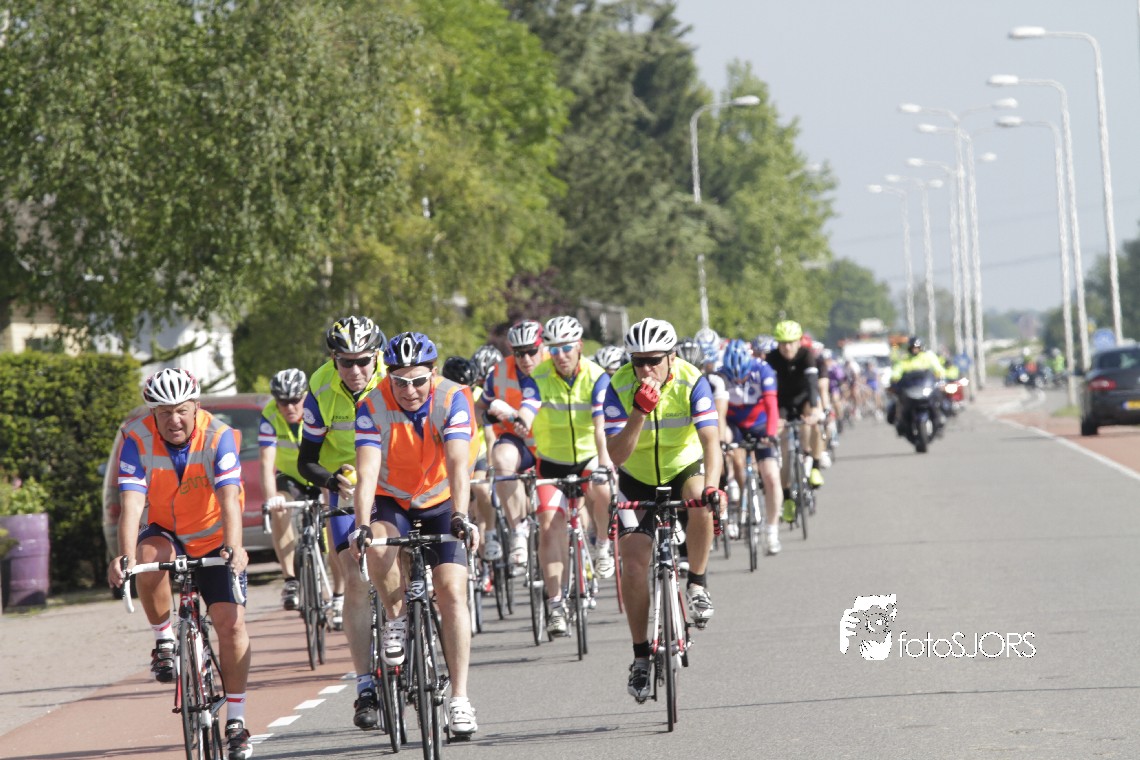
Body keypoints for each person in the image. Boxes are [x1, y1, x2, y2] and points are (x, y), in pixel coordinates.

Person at [106, 368, 254, 760]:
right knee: (148, 558)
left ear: (196, 407)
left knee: (230, 624)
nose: (174, 420)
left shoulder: (219, 435)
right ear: (152, 414)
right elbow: (131, 505)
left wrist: (235, 547)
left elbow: (229, 499)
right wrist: (124, 557)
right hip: (166, 530)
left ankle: (236, 720)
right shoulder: (136, 439)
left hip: (214, 534)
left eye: (182, 410)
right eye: (164, 412)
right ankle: (164, 640)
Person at [351, 331, 481, 738]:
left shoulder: (453, 397)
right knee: (378, 545)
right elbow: (366, 472)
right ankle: (396, 617)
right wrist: (360, 524)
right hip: (393, 498)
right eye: (400, 381)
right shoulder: (372, 404)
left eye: (419, 381)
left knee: (452, 592)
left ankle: (459, 699)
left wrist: (461, 516)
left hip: (441, 499)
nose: (409, 391)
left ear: (433, 373)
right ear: (387, 377)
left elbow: (458, 463)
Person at [602, 318, 723, 703]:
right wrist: (638, 412)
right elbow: (616, 455)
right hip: (636, 478)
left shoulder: (691, 380)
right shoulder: (618, 385)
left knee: (700, 500)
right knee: (634, 563)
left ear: (671, 356)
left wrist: (712, 486)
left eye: (653, 360)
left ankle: (698, 583)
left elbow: (711, 442)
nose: (645, 369)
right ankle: (640, 656)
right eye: (637, 361)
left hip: (682, 467)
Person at [295, 315, 386, 730]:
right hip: (346, 486)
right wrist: (332, 481)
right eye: (345, 362)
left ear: (376, 356)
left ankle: (411, 628)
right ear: (334, 359)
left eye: (363, 360)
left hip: (393, 483)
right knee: (354, 577)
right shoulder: (319, 387)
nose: (355, 370)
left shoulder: (394, 380)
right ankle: (365, 684)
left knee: (403, 564)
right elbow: (306, 460)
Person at [515, 316, 614, 637]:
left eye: (567, 348)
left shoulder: (597, 376)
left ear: (579, 346)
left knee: (603, 491)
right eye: (554, 349)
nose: (561, 355)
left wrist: (604, 463)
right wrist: (522, 421)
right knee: (548, 527)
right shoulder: (537, 376)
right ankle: (556, 604)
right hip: (551, 463)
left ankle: (602, 544)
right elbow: (529, 405)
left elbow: (600, 427)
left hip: (587, 458)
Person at [474, 320, 546, 573]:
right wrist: (488, 416)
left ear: (543, 346)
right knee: (501, 459)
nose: (525, 359)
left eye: (531, 351)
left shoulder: (555, 366)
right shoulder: (499, 371)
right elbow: (479, 408)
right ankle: (518, 531)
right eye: (519, 353)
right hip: (518, 443)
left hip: (552, 443)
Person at [259, 368, 321, 611]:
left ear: (305, 395)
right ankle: (290, 580)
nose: (290, 407)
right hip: (291, 476)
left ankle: (338, 594)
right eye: (283, 402)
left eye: (295, 400)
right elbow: (266, 464)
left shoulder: (317, 408)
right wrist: (271, 498)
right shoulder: (269, 415)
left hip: (318, 472)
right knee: (280, 509)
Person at [719, 339, 783, 555]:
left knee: (771, 476)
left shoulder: (763, 370)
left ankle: (772, 530)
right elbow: (718, 414)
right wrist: (722, 442)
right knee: (727, 450)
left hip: (759, 423)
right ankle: (733, 496)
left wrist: (771, 434)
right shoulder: (720, 375)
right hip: (734, 424)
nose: (738, 381)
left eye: (743, 377)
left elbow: (772, 406)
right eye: (734, 378)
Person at [764, 320, 827, 521]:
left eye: (791, 342)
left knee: (814, 422)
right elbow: (768, 391)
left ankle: (815, 465)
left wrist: (815, 410)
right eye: (782, 343)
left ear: (799, 342)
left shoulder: (807, 355)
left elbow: (812, 384)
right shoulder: (771, 359)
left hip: (804, 400)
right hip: (782, 403)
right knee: (784, 449)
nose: (787, 347)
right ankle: (787, 498)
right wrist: (773, 419)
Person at [443, 355, 496, 571]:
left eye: (469, 386)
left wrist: (491, 465)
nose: (464, 389)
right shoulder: (443, 397)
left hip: (477, 455)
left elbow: (490, 435)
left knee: (482, 490)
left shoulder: (479, 397)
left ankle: (491, 534)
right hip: (452, 457)